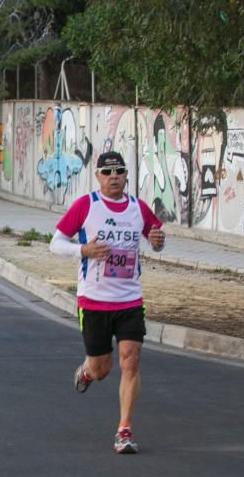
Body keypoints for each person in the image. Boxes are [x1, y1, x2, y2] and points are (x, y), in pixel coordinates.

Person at [49, 150, 166, 454]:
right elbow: (56, 243)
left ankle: (124, 430)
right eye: (107, 172)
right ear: (98, 176)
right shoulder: (87, 205)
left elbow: (156, 238)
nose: (114, 177)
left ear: (127, 175)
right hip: (94, 301)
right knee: (102, 369)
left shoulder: (137, 208)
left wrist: (157, 242)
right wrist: (82, 251)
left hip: (129, 298)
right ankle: (88, 371)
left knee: (131, 360)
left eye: (119, 171)